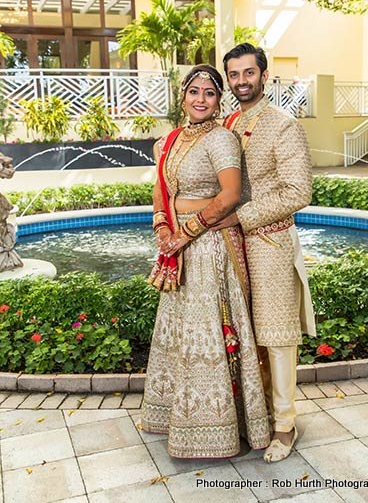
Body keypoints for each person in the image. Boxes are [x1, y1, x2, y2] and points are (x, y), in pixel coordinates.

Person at [141, 64, 270, 459]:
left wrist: (188, 231)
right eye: (194, 91)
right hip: (177, 248)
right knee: (181, 334)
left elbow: (230, 195)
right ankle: (177, 415)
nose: (200, 99)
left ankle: (220, 425)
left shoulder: (222, 139)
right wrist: (164, 228)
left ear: (219, 99)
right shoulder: (170, 140)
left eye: (209, 93)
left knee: (209, 332)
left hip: (210, 246)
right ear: (183, 97)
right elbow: (160, 192)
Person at [217, 43, 316, 463]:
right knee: (240, 331)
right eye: (234, 75)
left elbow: (299, 191)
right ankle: (253, 417)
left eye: (248, 73)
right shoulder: (228, 123)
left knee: (276, 338)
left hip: (270, 245)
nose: (241, 81)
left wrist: (243, 218)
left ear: (264, 74)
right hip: (230, 246)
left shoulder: (283, 126)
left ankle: (284, 425)